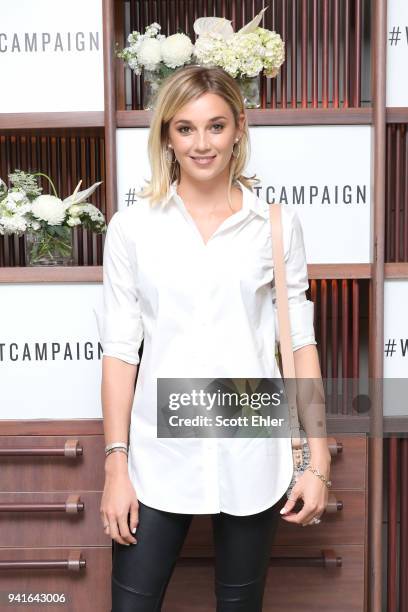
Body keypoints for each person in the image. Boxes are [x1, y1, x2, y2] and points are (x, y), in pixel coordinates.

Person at [98, 65, 331, 612]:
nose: (202, 144)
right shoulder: (132, 229)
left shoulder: (274, 225)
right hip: (156, 453)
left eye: (216, 126)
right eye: (185, 128)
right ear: (167, 137)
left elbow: (299, 344)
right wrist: (116, 465)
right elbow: (119, 353)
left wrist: (317, 461)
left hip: (252, 445)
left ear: (239, 127)